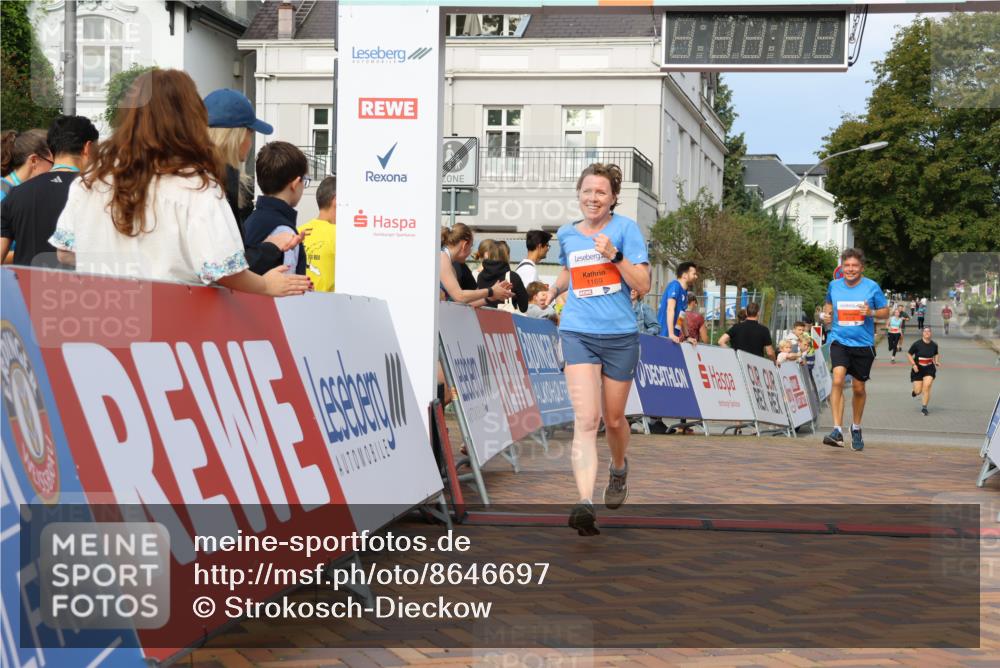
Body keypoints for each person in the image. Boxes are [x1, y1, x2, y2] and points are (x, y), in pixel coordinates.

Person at [48, 69, 311, 298]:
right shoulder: (196, 186)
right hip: (170, 325)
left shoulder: (92, 180)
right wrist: (265, 285)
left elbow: (66, 252)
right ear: (191, 120)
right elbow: (223, 270)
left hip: (101, 319)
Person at [539, 163, 650, 536]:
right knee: (587, 420)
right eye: (587, 191)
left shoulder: (626, 230)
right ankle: (585, 501)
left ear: (613, 198)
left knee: (614, 420)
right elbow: (571, 270)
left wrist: (615, 256)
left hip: (619, 336)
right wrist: (553, 290)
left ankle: (618, 469)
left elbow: (644, 284)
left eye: (601, 192)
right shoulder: (568, 234)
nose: (593, 198)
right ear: (579, 193)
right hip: (577, 332)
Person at [204, 88, 303, 275]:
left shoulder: (199, 180)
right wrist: (270, 252)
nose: (250, 143)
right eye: (251, 133)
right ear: (239, 135)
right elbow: (218, 269)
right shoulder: (209, 187)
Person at [1, 115, 97, 267]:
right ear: (88, 148)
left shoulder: (15, 194)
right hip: (81, 289)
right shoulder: (99, 193)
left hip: (25, 288)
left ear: (52, 151)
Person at [820, 248, 889, 451]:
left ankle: (856, 427)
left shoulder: (872, 287)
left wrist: (872, 312)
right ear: (842, 267)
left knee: (859, 388)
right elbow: (828, 304)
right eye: (847, 265)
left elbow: (885, 313)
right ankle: (837, 431)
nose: (850, 269)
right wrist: (826, 315)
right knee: (838, 379)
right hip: (839, 340)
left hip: (863, 344)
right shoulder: (834, 285)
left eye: (854, 266)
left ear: (862, 268)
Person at [244, 141, 310, 276]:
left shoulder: (251, 220)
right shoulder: (284, 231)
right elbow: (289, 285)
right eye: (305, 180)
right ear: (296, 183)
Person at [440, 223, 512, 305]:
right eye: (471, 247)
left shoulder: (446, 261)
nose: (470, 252)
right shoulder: (443, 258)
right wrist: (491, 291)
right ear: (464, 245)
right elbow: (459, 296)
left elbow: (460, 303)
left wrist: (490, 298)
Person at [298, 175, 336, 291]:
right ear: (336, 200)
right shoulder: (340, 236)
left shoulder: (298, 231)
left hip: (298, 303)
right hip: (329, 306)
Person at [476, 239, 529, 312]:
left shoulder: (480, 276)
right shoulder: (512, 276)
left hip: (483, 319)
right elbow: (524, 307)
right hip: (506, 320)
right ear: (506, 255)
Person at [1, 129, 52, 202]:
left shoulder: (19, 191)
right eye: (53, 163)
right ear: (34, 160)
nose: (57, 169)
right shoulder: (3, 193)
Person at [657, 261, 698, 343]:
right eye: (694, 274)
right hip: (664, 335)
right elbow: (670, 309)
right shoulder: (675, 286)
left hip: (673, 337)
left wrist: (687, 337)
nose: (696, 276)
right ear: (685, 275)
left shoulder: (685, 291)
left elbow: (681, 315)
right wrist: (671, 334)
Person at [908, 327, 941, 416]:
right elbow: (909, 354)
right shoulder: (917, 344)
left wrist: (937, 361)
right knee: (918, 391)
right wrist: (913, 364)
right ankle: (914, 392)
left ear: (931, 334)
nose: (927, 333)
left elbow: (936, 353)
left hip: (929, 368)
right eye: (925, 331)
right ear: (923, 333)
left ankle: (924, 407)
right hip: (918, 369)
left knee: (927, 386)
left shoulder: (934, 345)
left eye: (928, 331)